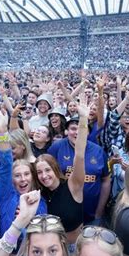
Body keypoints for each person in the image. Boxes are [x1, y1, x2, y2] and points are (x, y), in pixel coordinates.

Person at [35, 96, 88, 244]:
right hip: (50, 248)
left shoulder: (73, 185)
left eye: (47, 170)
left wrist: (83, 119)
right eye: (39, 172)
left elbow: (79, 154)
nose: (44, 176)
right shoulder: (41, 194)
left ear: (55, 168)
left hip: (73, 248)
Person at [48, 98, 110, 224]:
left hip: (91, 215)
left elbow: (106, 180)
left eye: (80, 128)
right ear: (66, 131)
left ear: (87, 131)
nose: (76, 132)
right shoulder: (56, 148)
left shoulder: (98, 151)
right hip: (63, 213)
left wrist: (99, 210)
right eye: (72, 129)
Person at [0, 191, 75, 256]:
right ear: (28, 255)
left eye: (52, 251)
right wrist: (20, 222)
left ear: (63, 253)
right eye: (37, 252)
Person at [0, 107, 46, 237]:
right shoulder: (6, 195)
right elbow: (5, 166)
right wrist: (3, 132)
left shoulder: (40, 201)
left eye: (26, 174)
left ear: (33, 177)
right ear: (11, 179)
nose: (23, 179)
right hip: (7, 254)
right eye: (17, 175)